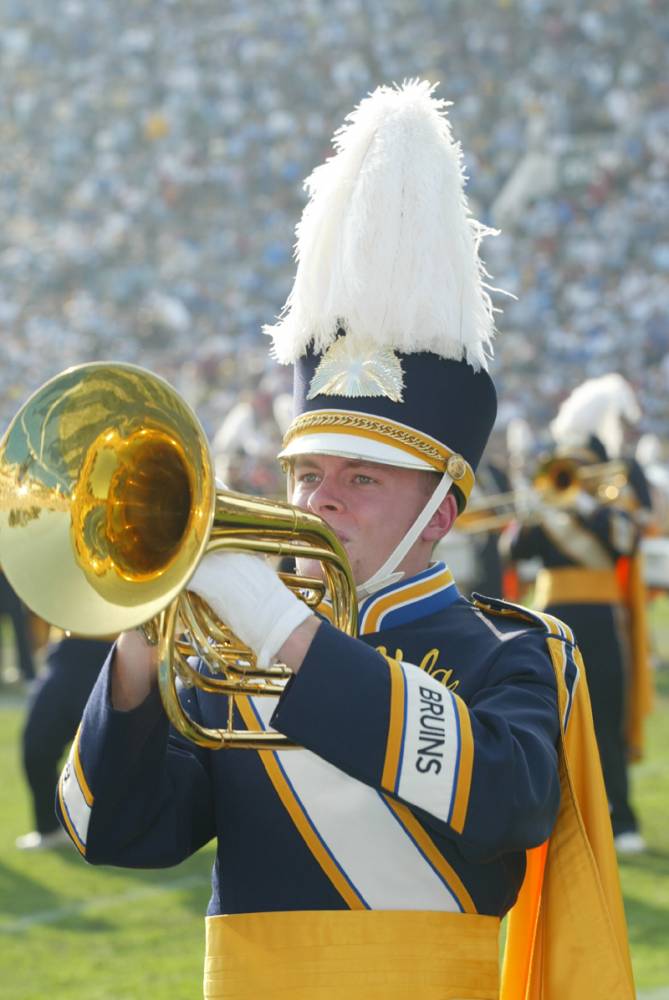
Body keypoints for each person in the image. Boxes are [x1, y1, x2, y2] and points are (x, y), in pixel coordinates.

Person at [55, 82, 633, 999]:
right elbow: (115, 835)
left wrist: (288, 634)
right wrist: (137, 635)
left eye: (361, 479)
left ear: (438, 513)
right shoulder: (228, 653)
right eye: (306, 475)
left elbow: (506, 803)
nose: (320, 501)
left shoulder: (514, 654)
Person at [499, 431, 647, 854]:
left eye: (580, 467)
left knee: (605, 714)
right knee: (548, 714)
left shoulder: (609, 509)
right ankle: (552, 816)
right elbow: (516, 551)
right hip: (551, 619)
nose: (572, 476)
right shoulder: (547, 510)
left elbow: (626, 541)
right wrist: (529, 513)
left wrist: (584, 505)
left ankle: (622, 817)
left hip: (600, 621)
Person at [16, 636, 113, 850]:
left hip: (120, 651)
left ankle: (126, 832)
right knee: (36, 748)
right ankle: (50, 828)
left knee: (112, 756)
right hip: (66, 649)